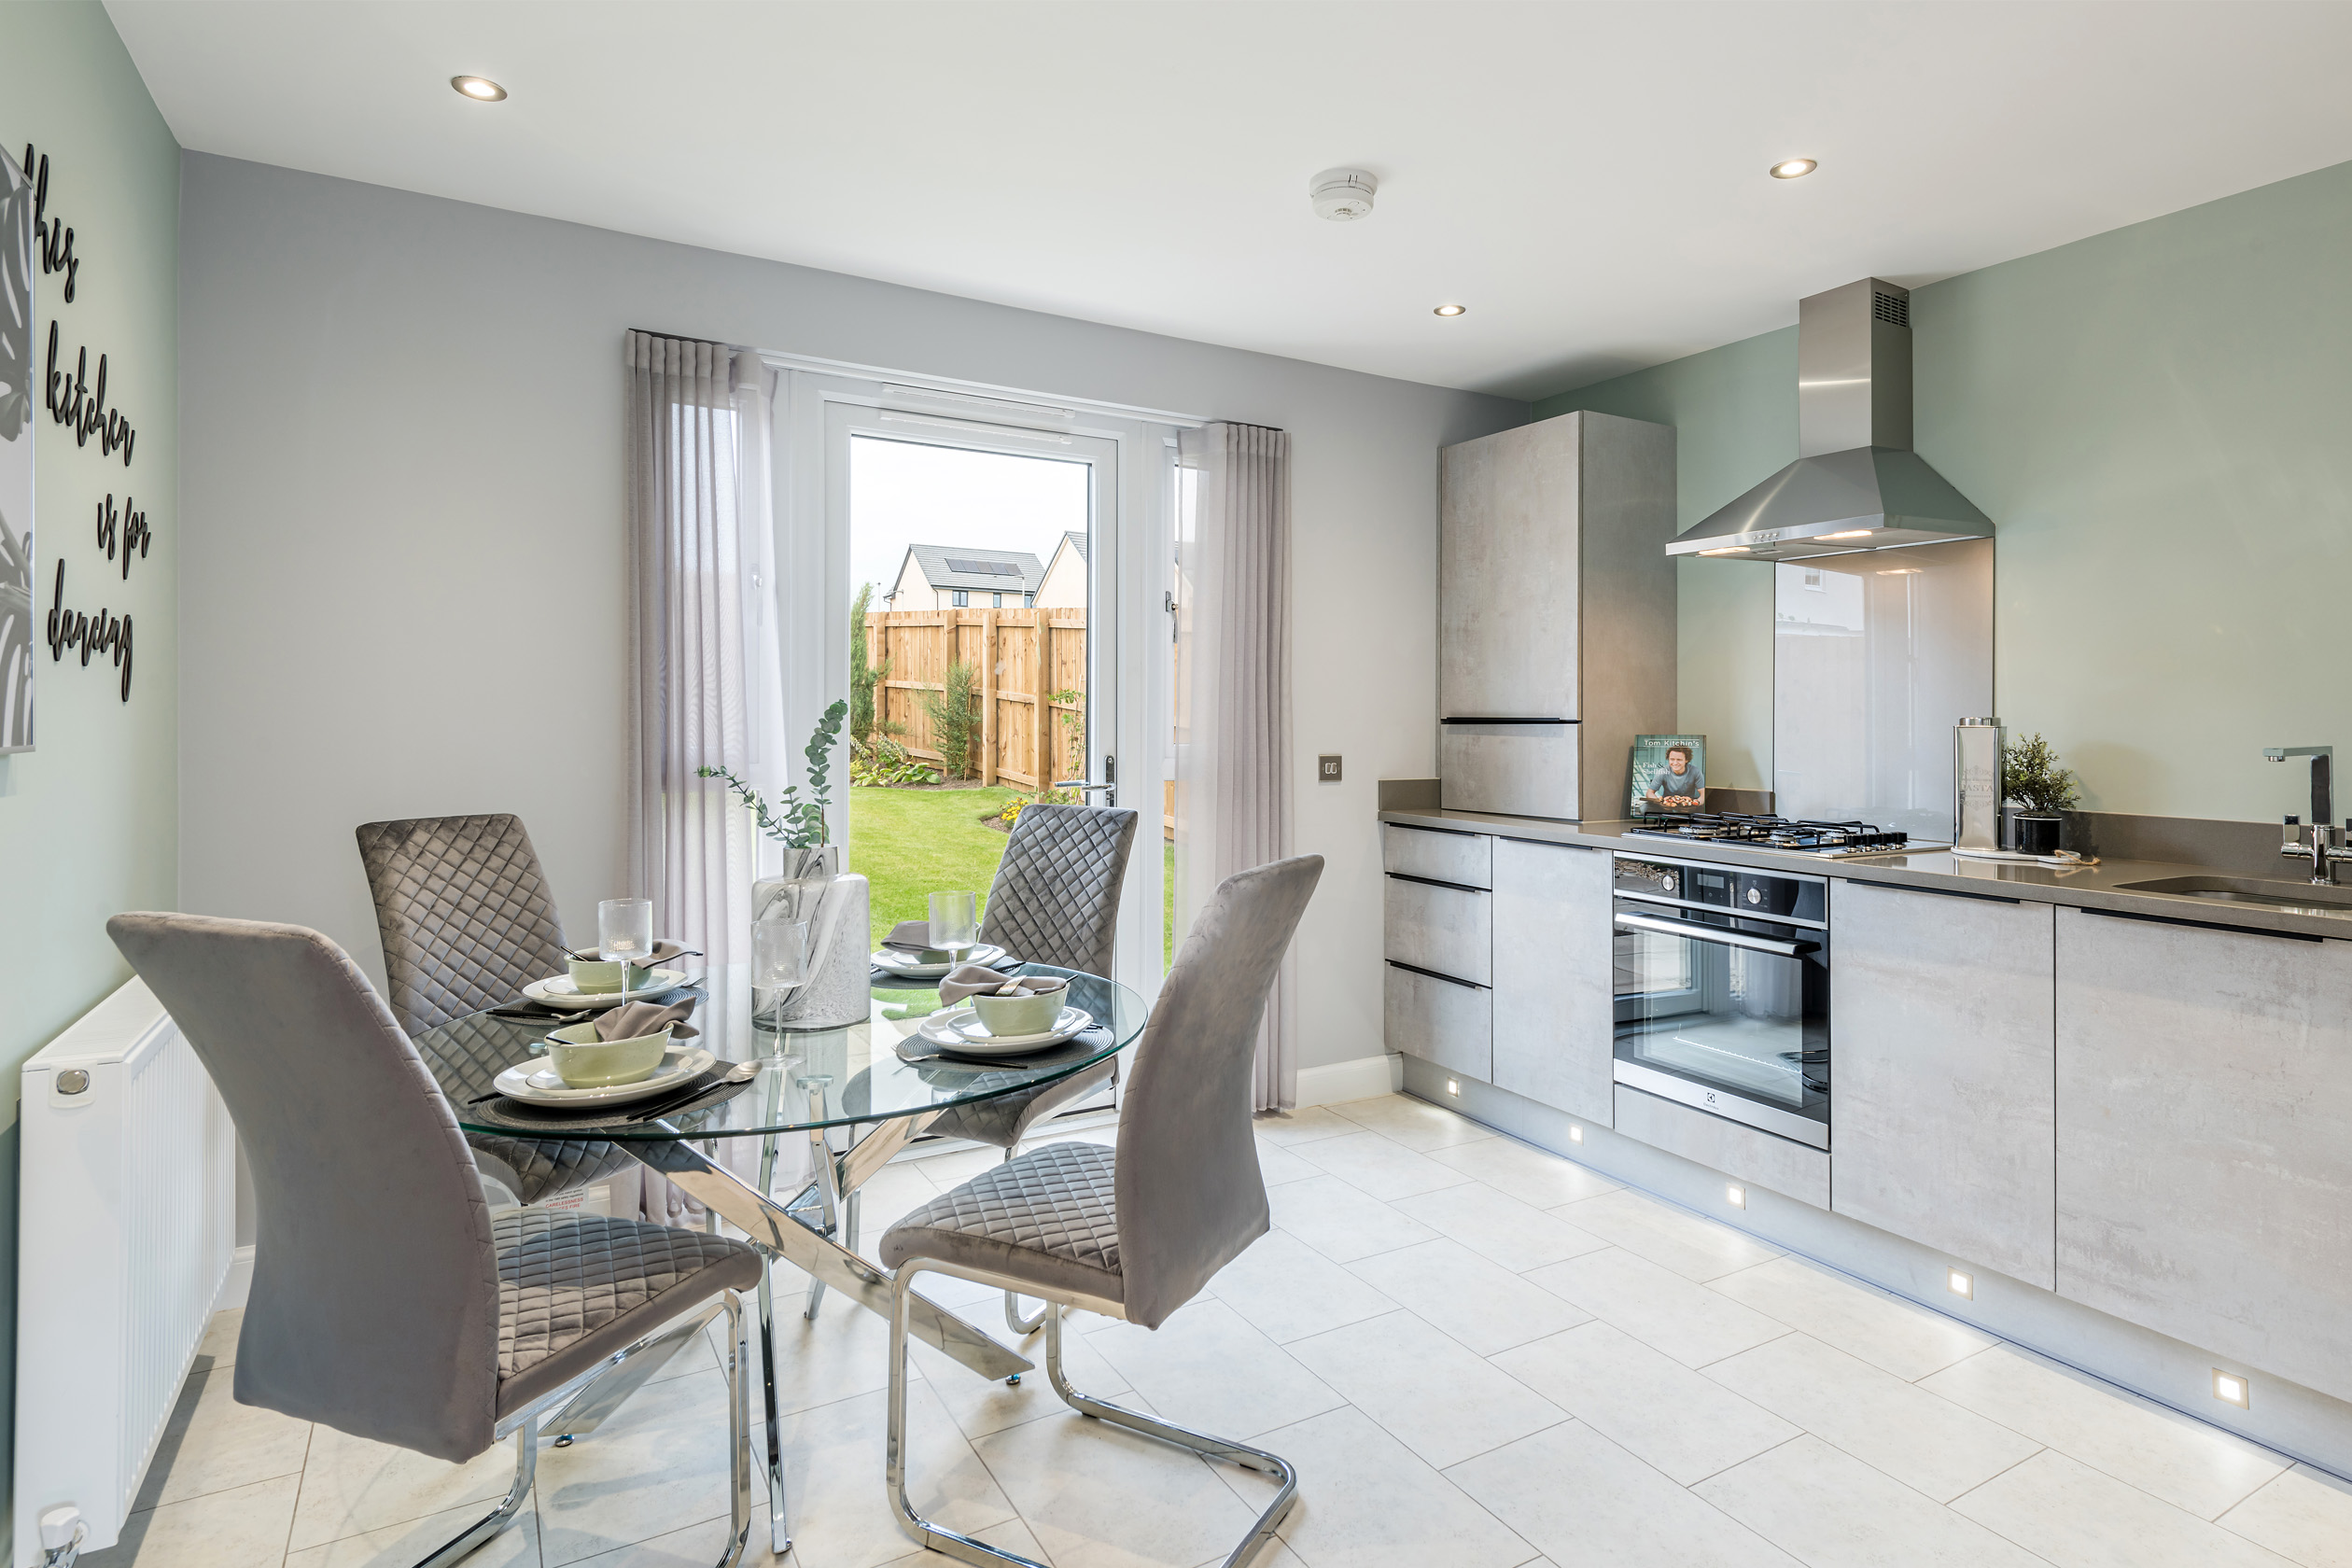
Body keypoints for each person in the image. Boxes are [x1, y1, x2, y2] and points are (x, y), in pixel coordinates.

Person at [1644, 744, 1704, 812]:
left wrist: (1696, 803)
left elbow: (1703, 794)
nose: (1675, 763)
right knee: (1644, 809)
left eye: (1679, 760)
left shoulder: (1696, 771)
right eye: (1672, 759)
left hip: (1688, 806)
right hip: (1666, 806)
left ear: (1686, 760)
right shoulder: (1662, 771)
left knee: (1702, 810)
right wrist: (1661, 802)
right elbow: (1649, 793)